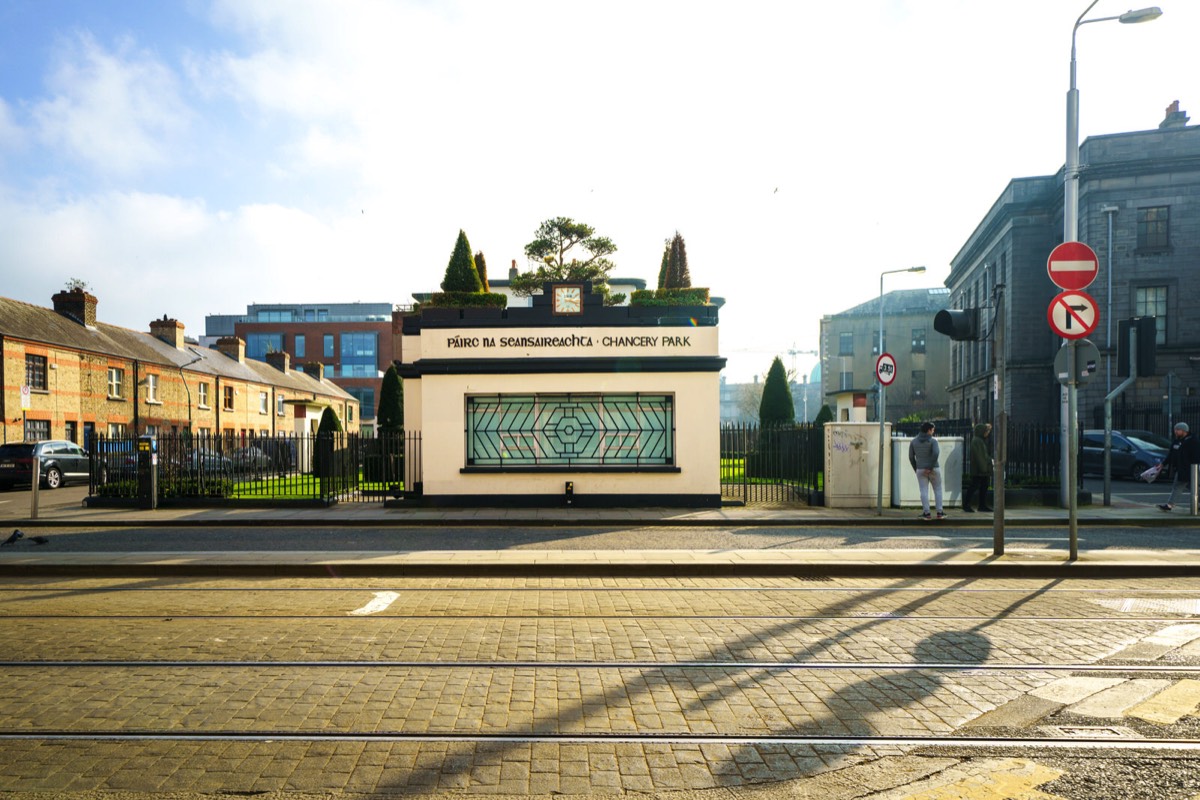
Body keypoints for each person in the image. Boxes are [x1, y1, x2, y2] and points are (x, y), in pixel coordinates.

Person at [1158, 421, 1200, 511]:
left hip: (1190, 469)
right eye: (1175, 429)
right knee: (1191, 487)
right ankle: (1170, 505)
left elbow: (1196, 456)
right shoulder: (1177, 441)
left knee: (1180, 486)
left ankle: (1170, 505)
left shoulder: (1193, 440)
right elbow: (1171, 454)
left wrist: (1194, 467)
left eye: (1178, 430)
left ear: (1184, 430)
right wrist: (1163, 464)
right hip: (1181, 468)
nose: (1175, 432)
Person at [908, 421, 945, 520]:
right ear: (929, 430)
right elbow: (936, 453)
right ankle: (940, 512)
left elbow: (911, 457)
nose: (933, 432)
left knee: (923, 490)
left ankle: (927, 513)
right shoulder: (933, 441)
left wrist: (916, 468)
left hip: (920, 469)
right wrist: (930, 467)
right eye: (932, 430)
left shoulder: (914, 441)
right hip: (934, 468)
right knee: (937, 489)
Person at [963, 423, 993, 513]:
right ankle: (967, 505)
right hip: (980, 470)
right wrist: (985, 468)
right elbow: (980, 457)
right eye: (986, 431)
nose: (987, 433)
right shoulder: (977, 441)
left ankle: (982, 505)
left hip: (982, 470)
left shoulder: (980, 440)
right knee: (974, 486)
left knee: (983, 487)